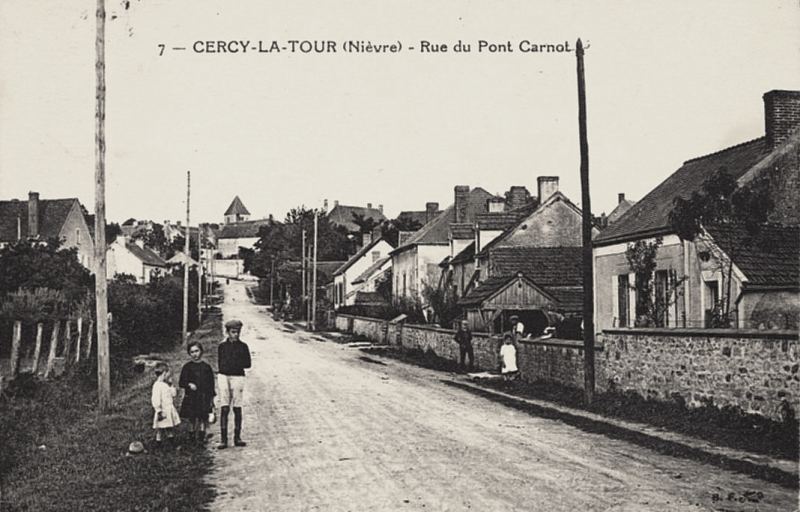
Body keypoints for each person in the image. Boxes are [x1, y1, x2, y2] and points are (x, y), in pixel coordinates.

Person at [217, 319, 252, 449]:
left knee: (237, 407)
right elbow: (221, 364)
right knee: (224, 406)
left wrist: (235, 363)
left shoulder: (243, 347)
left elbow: (248, 364)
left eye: (237, 332)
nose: (235, 335)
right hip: (224, 376)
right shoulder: (222, 346)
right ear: (227, 332)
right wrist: (233, 364)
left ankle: (237, 437)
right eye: (233, 332)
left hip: (238, 377)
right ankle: (223, 439)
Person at [179, 341, 216, 446]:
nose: (195, 354)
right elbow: (181, 382)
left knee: (203, 417)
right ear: (189, 354)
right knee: (192, 418)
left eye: (196, 351)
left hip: (203, 396)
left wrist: (211, 400)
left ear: (201, 352)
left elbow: (211, 385)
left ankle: (201, 437)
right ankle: (191, 438)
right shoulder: (187, 367)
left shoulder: (206, 367)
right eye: (192, 352)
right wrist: (189, 384)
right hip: (191, 397)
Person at [151, 362, 181, 447]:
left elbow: (174, 394)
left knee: (169, 427)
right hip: (163, 410)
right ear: (164, 373)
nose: (169, 375)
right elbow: (156, 399)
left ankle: (172, 443)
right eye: (168, 373)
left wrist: (171, 385)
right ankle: (158, 443)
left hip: (169, 409)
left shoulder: (166, 385)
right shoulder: (157, 385)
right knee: (159, 428)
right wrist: (159, 410)